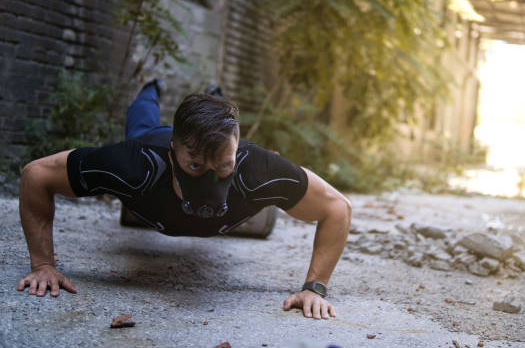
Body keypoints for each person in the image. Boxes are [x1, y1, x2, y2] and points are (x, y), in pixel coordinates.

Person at [16, 80, 352, 320]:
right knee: (141, 124)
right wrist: (43, 265)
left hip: (221, 150)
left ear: (236, 153)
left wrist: (314, 288)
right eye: (195, 166)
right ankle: (151, 86)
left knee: (216, 130)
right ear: (173, 151)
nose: (208, 177)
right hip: (150, 140)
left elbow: (337, 207)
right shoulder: (136, 165)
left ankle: (214, 93)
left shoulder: (259, 170)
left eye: (222, 166)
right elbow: (36, 175)